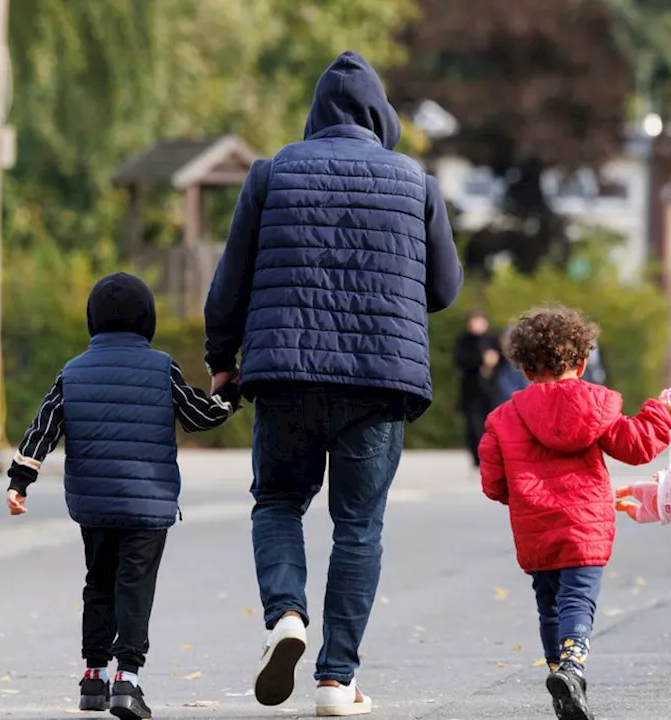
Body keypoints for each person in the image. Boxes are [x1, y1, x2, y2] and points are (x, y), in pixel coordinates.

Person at [203, 51, 463, 715]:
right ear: (382, 116)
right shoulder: (415, 182)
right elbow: (444, 289)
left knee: (279, 500)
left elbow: (230, 279)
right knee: (359, 528)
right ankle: (335, 682)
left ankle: (286, 616)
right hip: (379, 383)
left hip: (286, 374)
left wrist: (221, 357)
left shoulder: (273, 173)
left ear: (316, 113)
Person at [5, 272, 240, 719]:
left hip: (93, 503)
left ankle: (93, 677)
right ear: (147, 320)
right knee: (134, 586)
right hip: (147, 502)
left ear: (93, 320)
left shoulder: (72, 372)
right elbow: (197, 415)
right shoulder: (161, 367)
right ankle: (127, 680)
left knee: (99, 582)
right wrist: (229, 394)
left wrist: (20, 481)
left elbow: (43, 428)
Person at [478, 307, 671, 720]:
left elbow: (494, 484)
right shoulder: (595, 405)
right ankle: (571, 668)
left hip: (535, 527)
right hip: (585, 526)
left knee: (549, 604)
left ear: (524, 367)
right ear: (583, 361)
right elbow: (636, 445)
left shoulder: (503, 418)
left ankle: (560, 680)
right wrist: (663, 414)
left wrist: (522, 492)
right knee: (577, 600)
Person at [454, 311, 501, 467]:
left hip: (490, 392)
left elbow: (505, 362)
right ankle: (477, 459)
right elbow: (459, 361)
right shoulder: (463, 341)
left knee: (492, 426)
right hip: (471, 392)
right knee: (473, 428)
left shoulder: (493, 340)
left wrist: (495, 361)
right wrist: (481, 359)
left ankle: (492, 458)